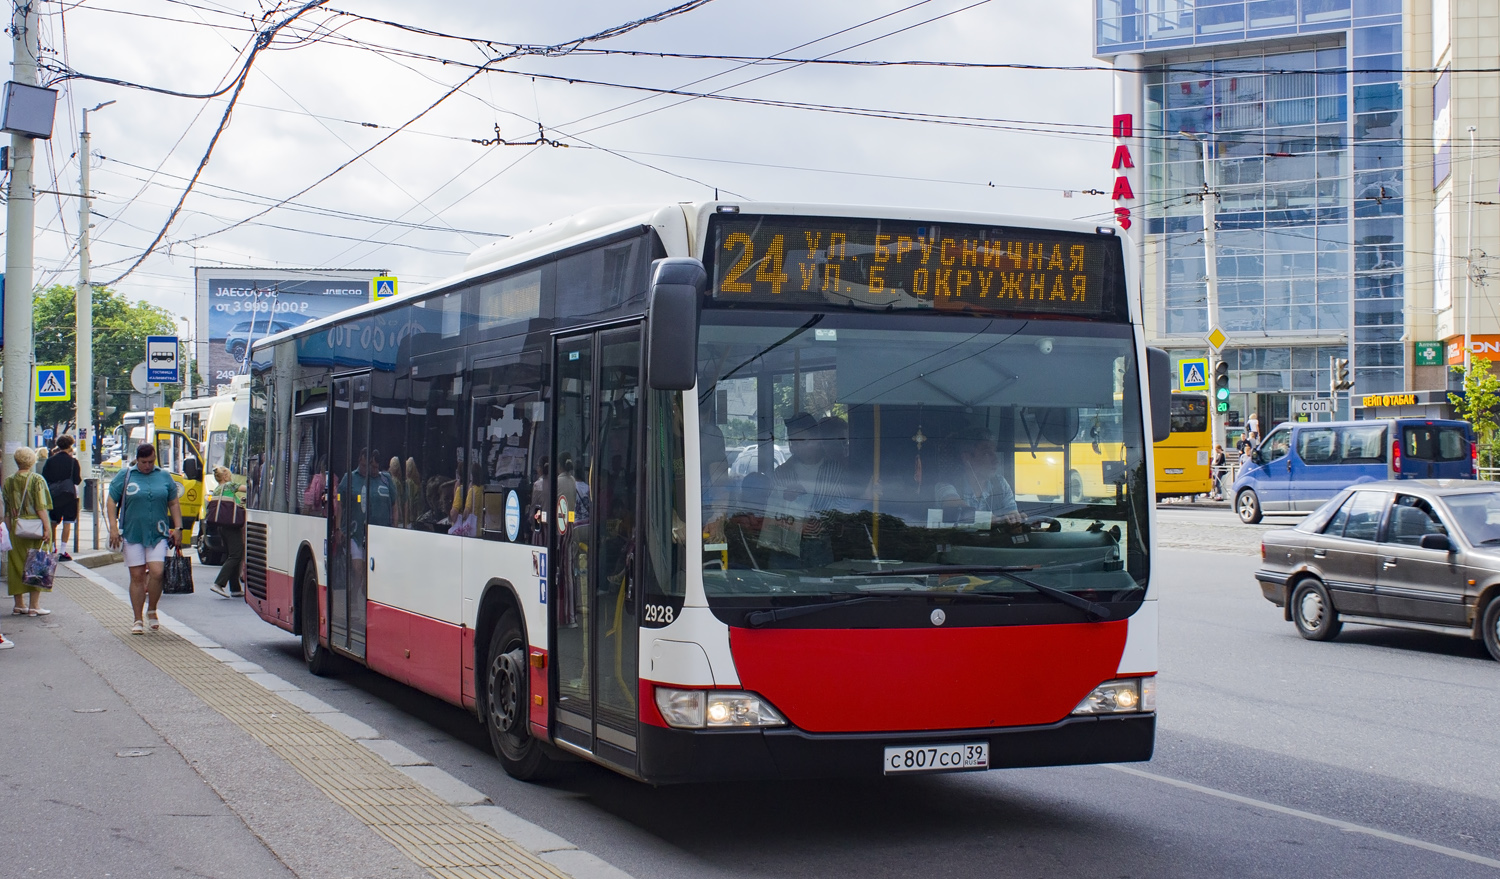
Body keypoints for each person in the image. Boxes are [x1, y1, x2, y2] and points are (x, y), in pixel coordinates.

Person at [106, 443, 185, 635]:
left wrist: (178, 528)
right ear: (137, 460)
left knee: (157, 572)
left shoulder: (164, 476)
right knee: (137, 576)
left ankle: (152, 609)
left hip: (158, 532)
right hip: (133, 533)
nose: (147, 466)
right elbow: (111, 501)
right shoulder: (126, 475)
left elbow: (173, 503)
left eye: (151, 461)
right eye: (143, 462)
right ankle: (137, 618)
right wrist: (113, 527)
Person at [934, 426, 1022, 523]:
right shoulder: (946, 485)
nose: (996, 460)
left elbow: (1012, 512)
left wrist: (1015, 518)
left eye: (994, 452)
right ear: (966, 458)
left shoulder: (1000, 483)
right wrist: (992, 520)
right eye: (986, 454)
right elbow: (958, 508)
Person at [5, 447, 53, 617]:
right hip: (35, 526)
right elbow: (41, 507)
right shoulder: (36, 479)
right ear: (32, 461)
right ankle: (34, 605)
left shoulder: (9, 481)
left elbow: (7, 509)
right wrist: (47, 527)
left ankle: (19, 604)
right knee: (38, 562)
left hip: (16, 526)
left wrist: (8, 529)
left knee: (16, 564)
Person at [41, 436, 82, 561]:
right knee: (67, 522)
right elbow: (77, 480)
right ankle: (63, 551)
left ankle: (53, 548)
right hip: (68, 495)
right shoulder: (73, 462)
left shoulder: (50, 461)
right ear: (70, 445)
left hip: (53, 495)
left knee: (53, 522)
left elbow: (44, 478)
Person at [208, 465, 245, 598]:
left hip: (221, 526)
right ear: (225, 476)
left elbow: (229, 504)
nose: (230, 477)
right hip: (232, 526)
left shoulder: (217, 489)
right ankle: (219, 583)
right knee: (236, 554)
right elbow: (249, 489)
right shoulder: (230, 486)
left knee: (231, 555)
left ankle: (235, 588)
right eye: (229, 475)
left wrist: (240, 501)